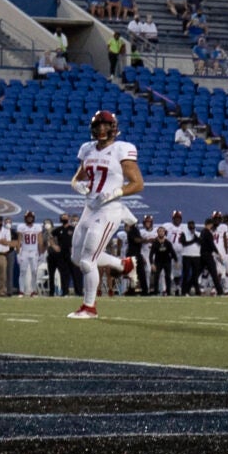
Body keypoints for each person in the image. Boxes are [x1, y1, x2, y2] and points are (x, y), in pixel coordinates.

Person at [67, 109, 144, 319]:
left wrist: (115, 192)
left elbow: (138, 184)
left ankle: (89, 307)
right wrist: (76, 184)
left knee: (87, 261)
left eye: (105, 125)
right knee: (76, 256)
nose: (101, 129)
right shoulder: (88, 149)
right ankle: (123, 264)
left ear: (113, 128)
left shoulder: (122, 149)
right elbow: (81, 173)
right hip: (89, 207)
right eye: (98, 125)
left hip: (109, 210)